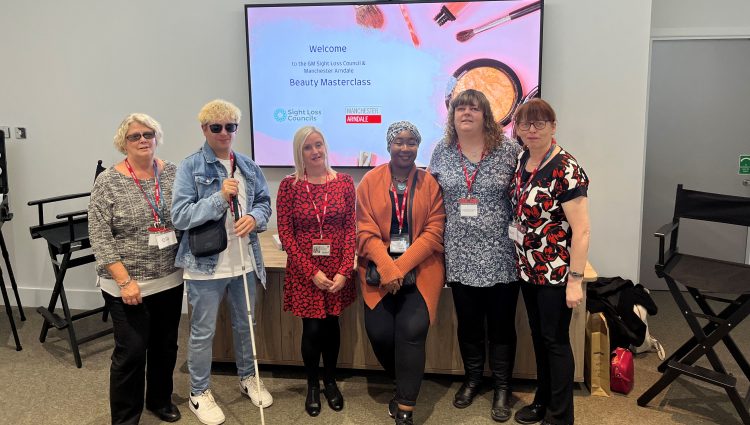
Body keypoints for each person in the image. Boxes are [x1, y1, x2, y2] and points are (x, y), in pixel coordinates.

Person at [171, 99, 273, 425]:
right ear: (205, 129)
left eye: (230, 127)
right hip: (205, 266)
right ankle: (198, 392)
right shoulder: (191, 167)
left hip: (244, 261)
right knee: (203, 333)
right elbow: (180, 215)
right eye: (216, 127)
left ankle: (247, 378)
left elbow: (263, 204)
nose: (224, 133)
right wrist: (219, 198)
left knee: (246, 325)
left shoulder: (246, 165)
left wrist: (255, 218)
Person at [428, 89, 522, 422]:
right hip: (460, 253)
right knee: (468, 324)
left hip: (502, 255)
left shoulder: (510, 151)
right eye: (459, 109)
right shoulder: (441, 151)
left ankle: (501, 387)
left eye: (473, 108)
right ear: (452, 117)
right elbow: (430, 198)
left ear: (486, 115)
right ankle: (472, 379)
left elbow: (525, 196)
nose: (466, 113)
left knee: (500, 326)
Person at [88, 113, 183, 424]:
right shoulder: (108, 181)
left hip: (169, 279)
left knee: (165, 346)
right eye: (135, 136)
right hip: (127, 284)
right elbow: (100, 236)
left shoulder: (172, 174)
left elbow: (185, 216)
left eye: (148, 134)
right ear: (123, 143)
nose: (143, 140)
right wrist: (124, 280)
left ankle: (159, 400)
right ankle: (126, 417)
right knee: (131, 351)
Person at [357, 121, 446, 425]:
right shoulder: (369, 181)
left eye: (411, 143)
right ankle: (403, 380)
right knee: (380, 334)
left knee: (411, 332)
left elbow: (434, 232)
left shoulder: (430, 183)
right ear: (388, 145)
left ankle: (406, 405)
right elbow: (364, 231)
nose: (405, 148)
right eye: (399, 142)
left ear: (418, 147)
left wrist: (399, 267)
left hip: (419, 271)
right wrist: (386, 267)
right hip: (377, 272)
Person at [508, 98, 590, 425]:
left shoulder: (566, 169)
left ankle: (560, 416)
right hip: (527, 268)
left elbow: (582, 231)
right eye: (526, 124)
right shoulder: (522, 160)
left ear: (553, 127)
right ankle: (542, 402)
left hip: (555, 271)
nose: (532, 130)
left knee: (555, 343)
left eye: (539, 123)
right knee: (540, 338)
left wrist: (576, 280)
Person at [276, 126, 357, 417]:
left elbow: (350, 229)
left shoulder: (345, 182)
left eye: (318, 144)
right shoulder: (290, 186)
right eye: (308, 147)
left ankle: (330, 381)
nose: (315, 152)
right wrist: (311, 271)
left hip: (337, 270)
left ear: (326, 146)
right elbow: (286, 233)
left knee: (332, 327)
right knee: (311, 329)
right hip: (304, 271)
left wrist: (345, 271)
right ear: (300, 152)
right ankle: (312, 385)